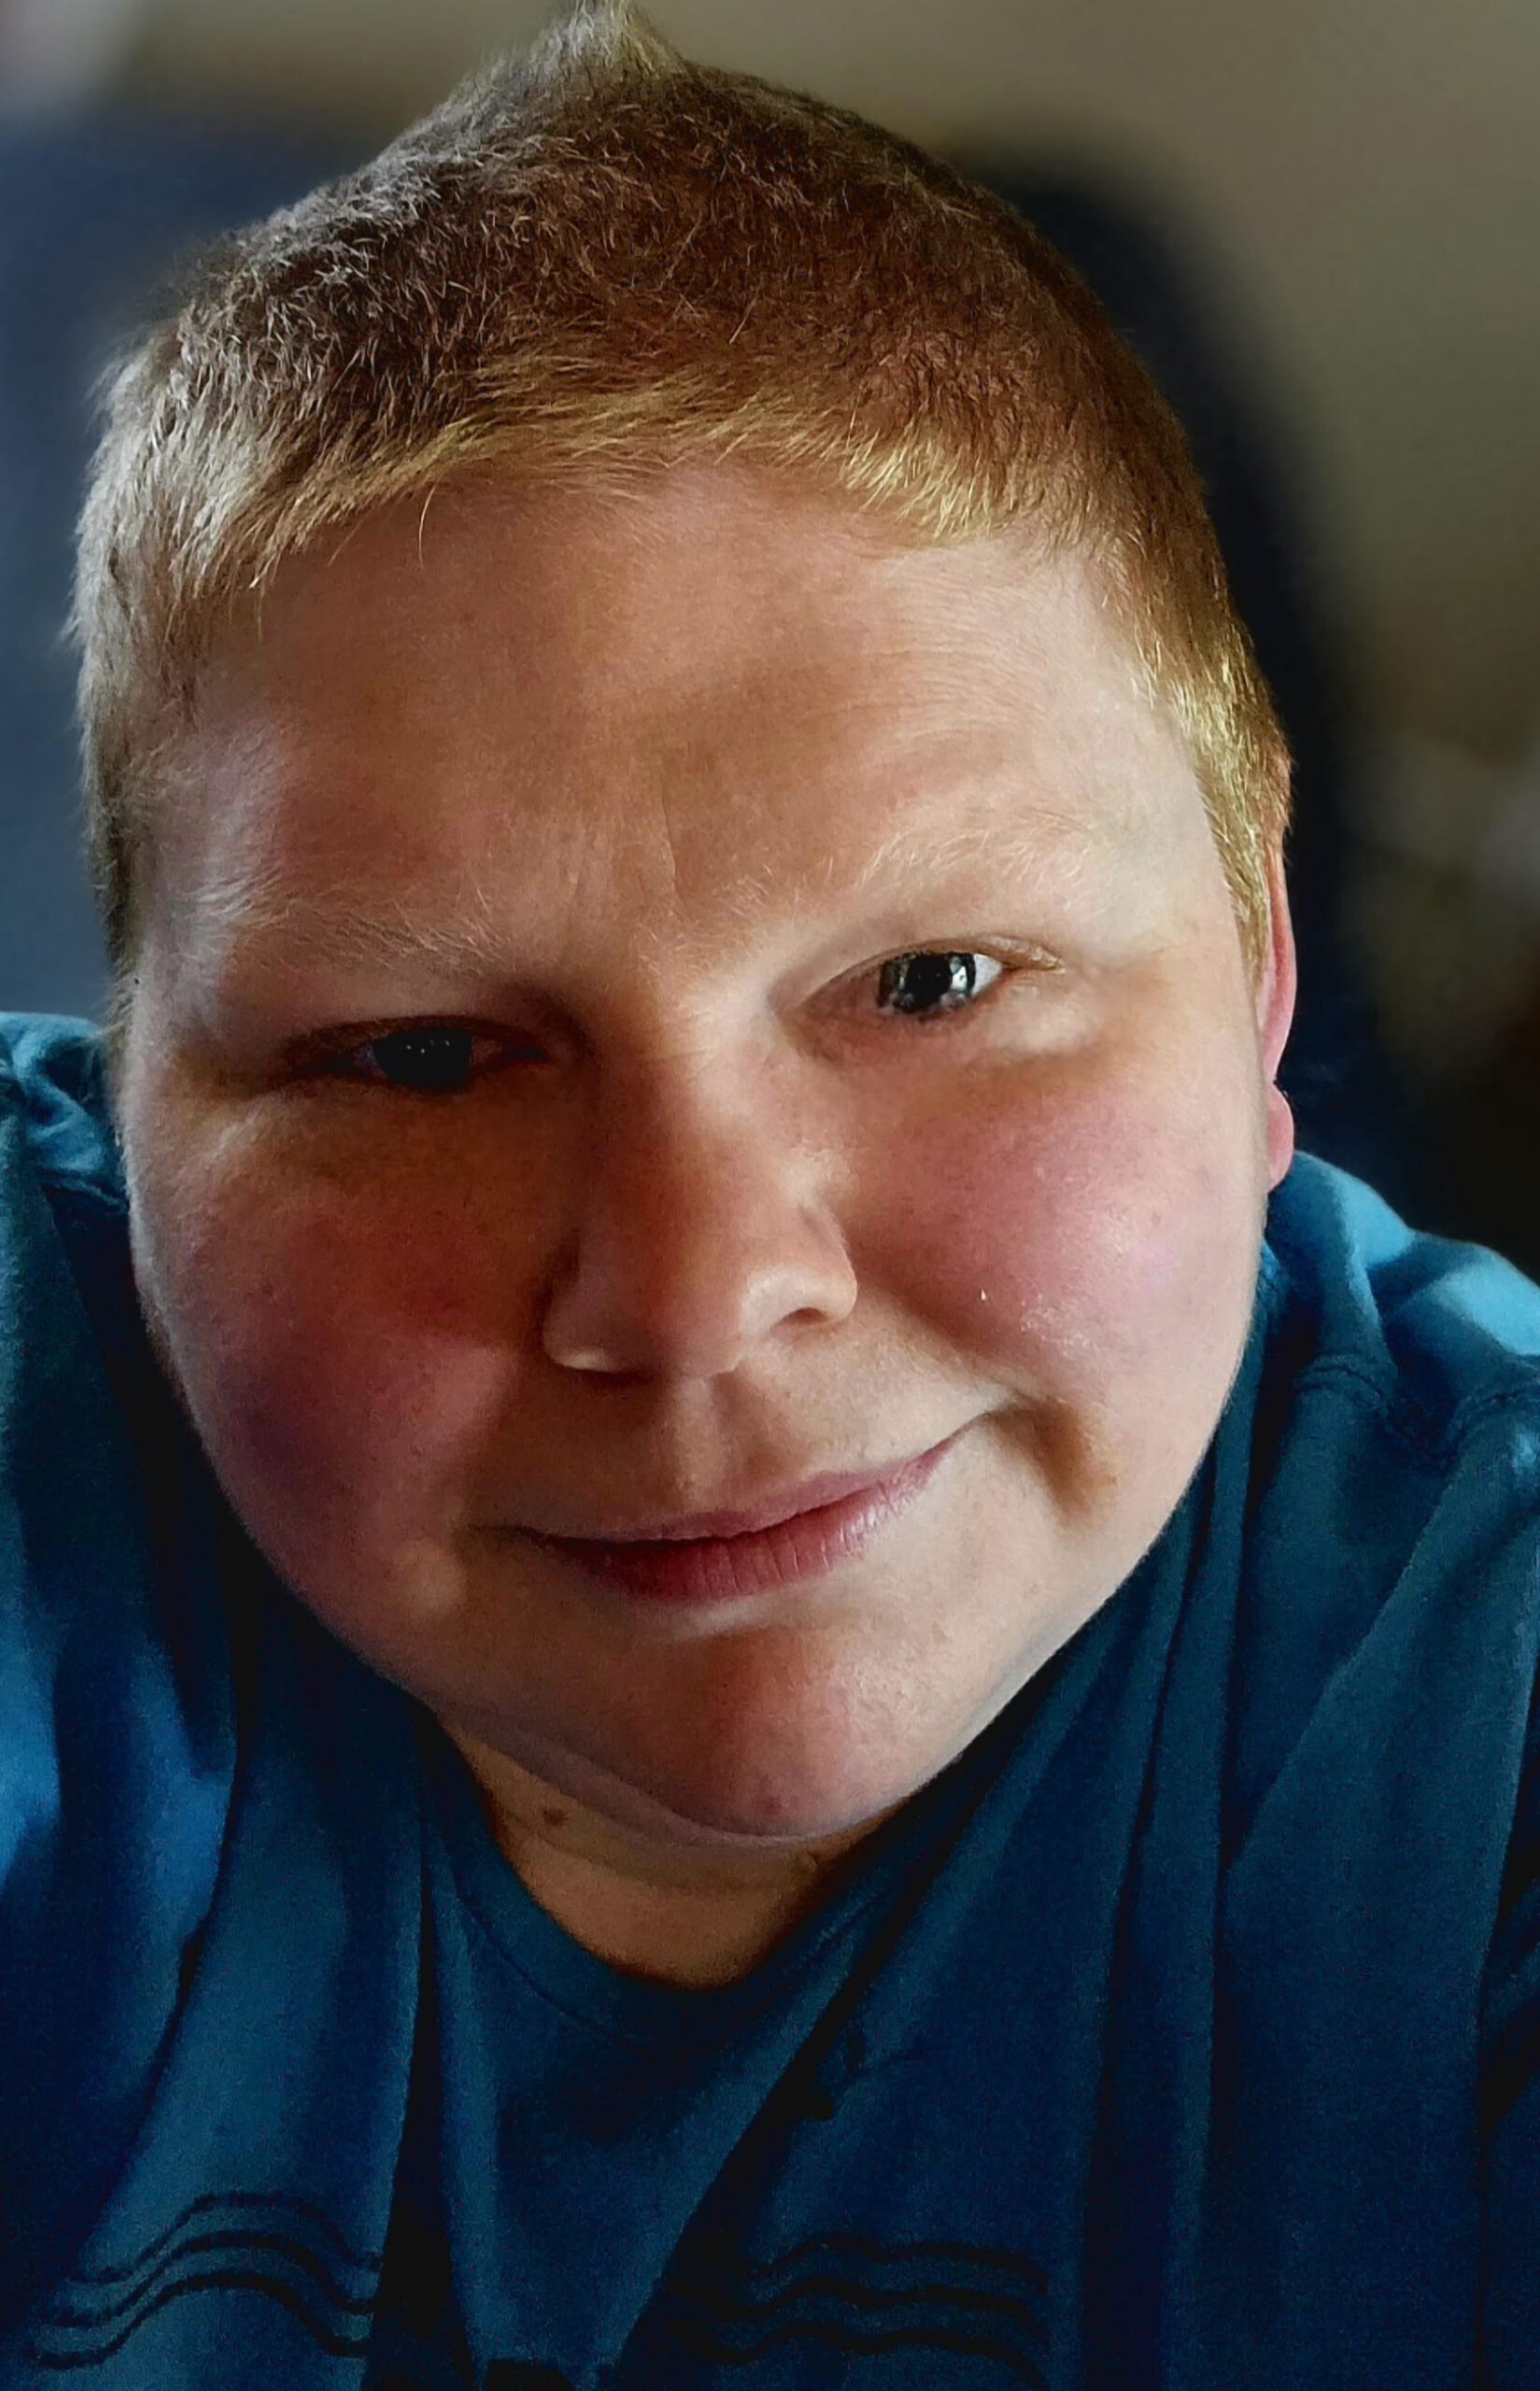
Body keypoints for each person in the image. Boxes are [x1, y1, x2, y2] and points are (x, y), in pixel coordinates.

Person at [2, 3, 1537, 2384]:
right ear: (127, 1095)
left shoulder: (1481, 1685)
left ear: (1258, 989)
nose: (701, 1294)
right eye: (419, 1055)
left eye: (933, 976)